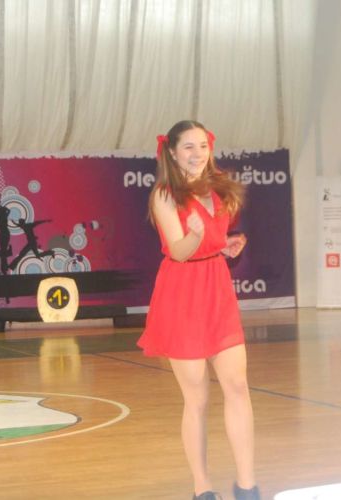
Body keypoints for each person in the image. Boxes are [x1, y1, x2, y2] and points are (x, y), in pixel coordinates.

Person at [137, 120, 258, 500]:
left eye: (202, 145)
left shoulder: (219, 189)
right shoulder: (164, 194)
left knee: (237, 386)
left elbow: (210, 242)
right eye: (188, 147)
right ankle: (202, 487)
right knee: (198, 399)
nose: (197, 153)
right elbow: (179, 251)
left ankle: (247, 486)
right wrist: (194, 235)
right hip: (182, 293)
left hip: (216, 288)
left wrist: (224, 246)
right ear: (172, 153)